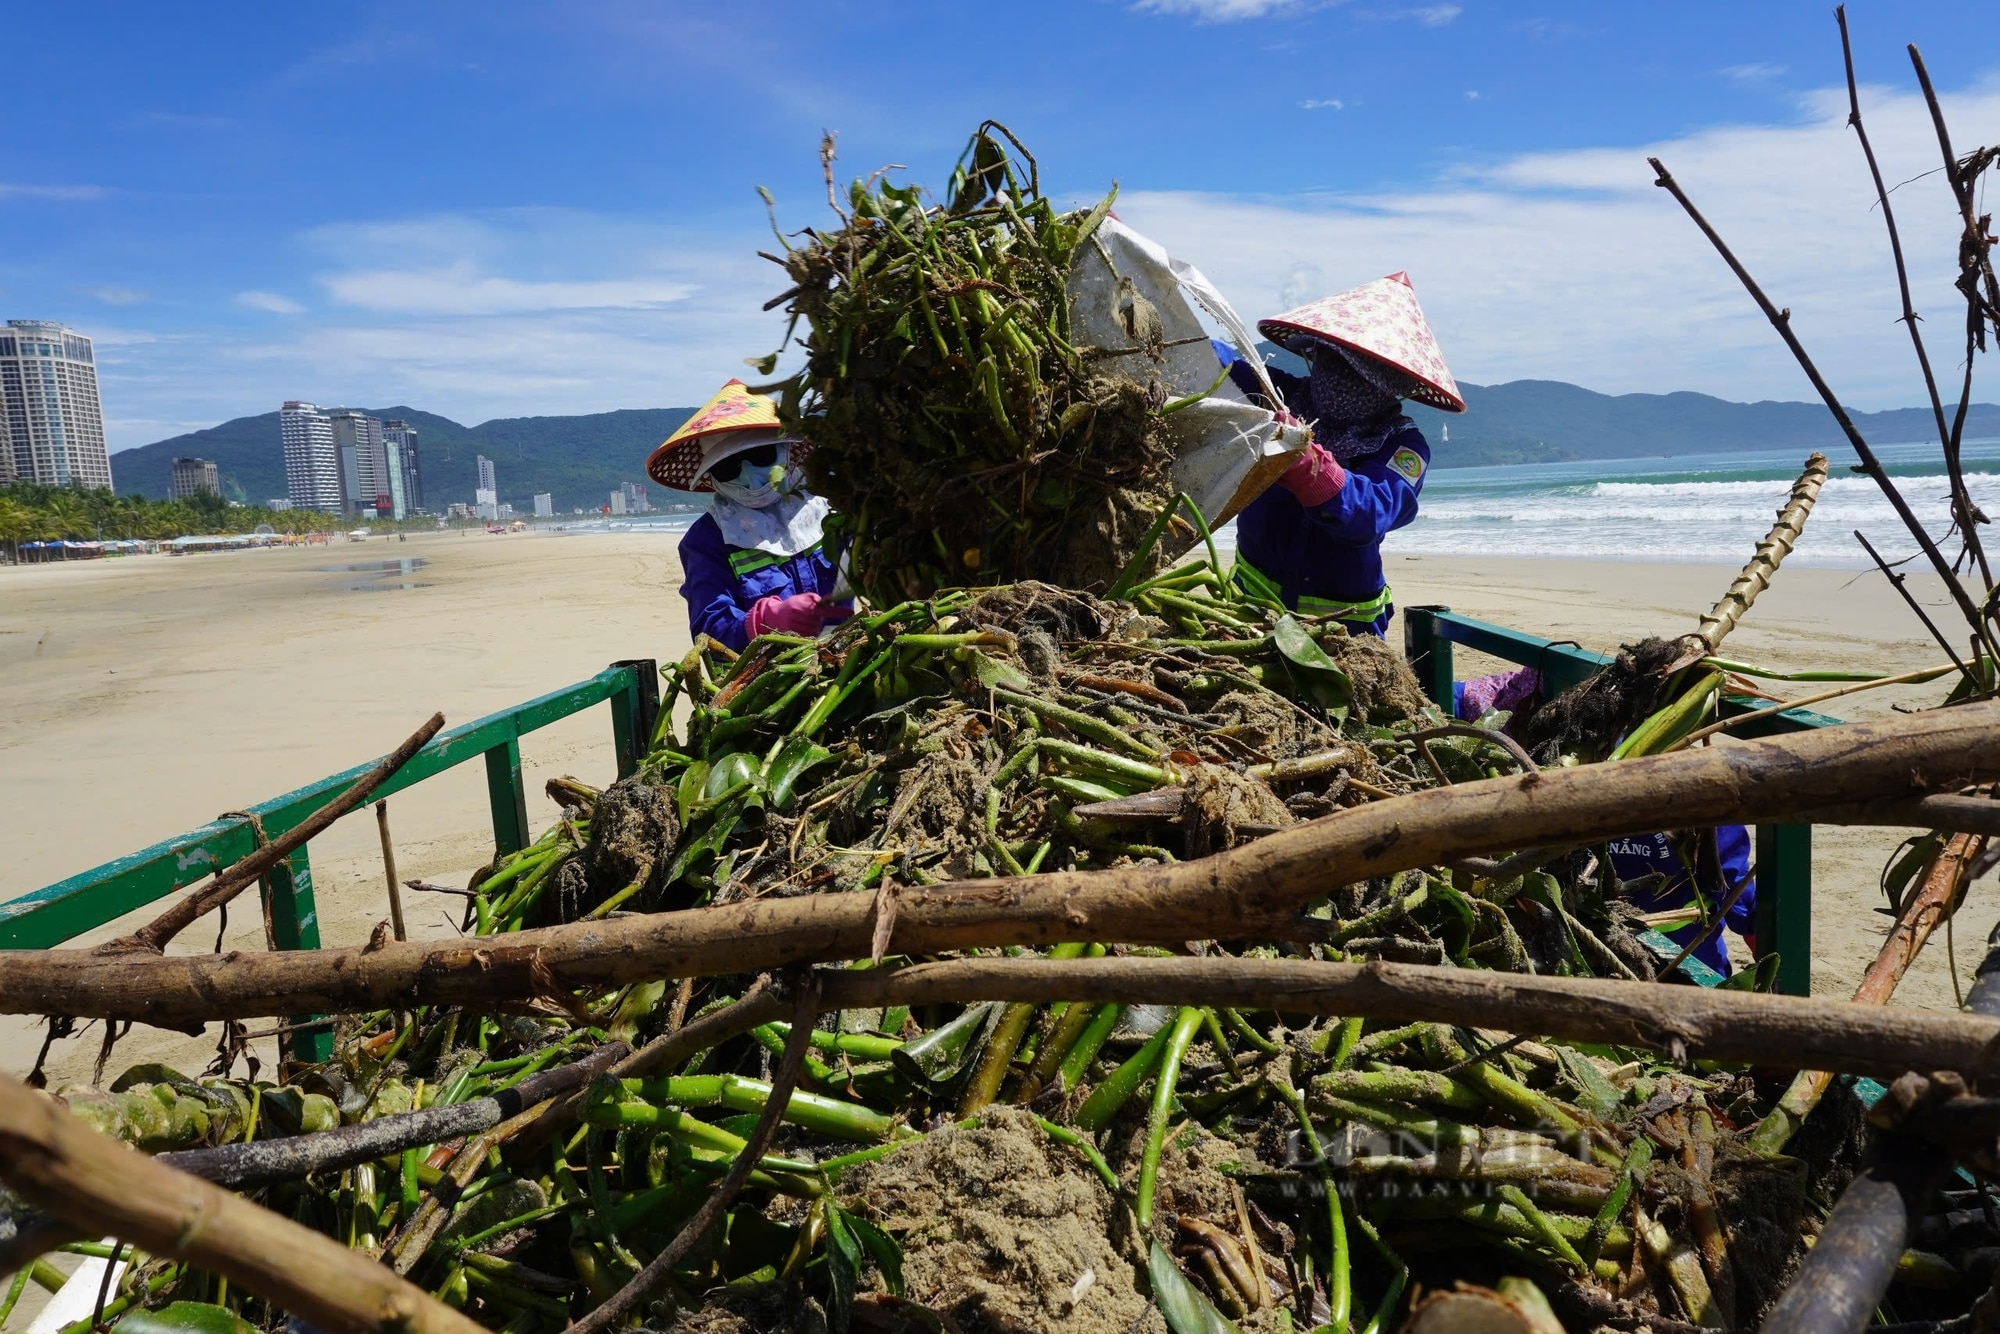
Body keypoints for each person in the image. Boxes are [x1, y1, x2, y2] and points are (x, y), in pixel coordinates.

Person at [1216, 271, 1465, 637]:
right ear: (1316, 355)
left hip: (1344, 626)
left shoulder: (1402, 445)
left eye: (1360, 374)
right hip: (1250, 606)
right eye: (1333, 361)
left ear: (1389, 386)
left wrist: (1309, 466)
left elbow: (1371, 510)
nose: (1342, 380)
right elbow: (1218, 365)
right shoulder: (1278, 396)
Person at [647, 380, 850, 650]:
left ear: (787, 451)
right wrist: (766, 621)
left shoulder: (831, 505)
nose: (749, 476)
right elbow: (708, 627)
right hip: (771, 676)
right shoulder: (706, 540)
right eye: (728, 467)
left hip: (849, 651)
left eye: (761, 455)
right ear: (712, 476)